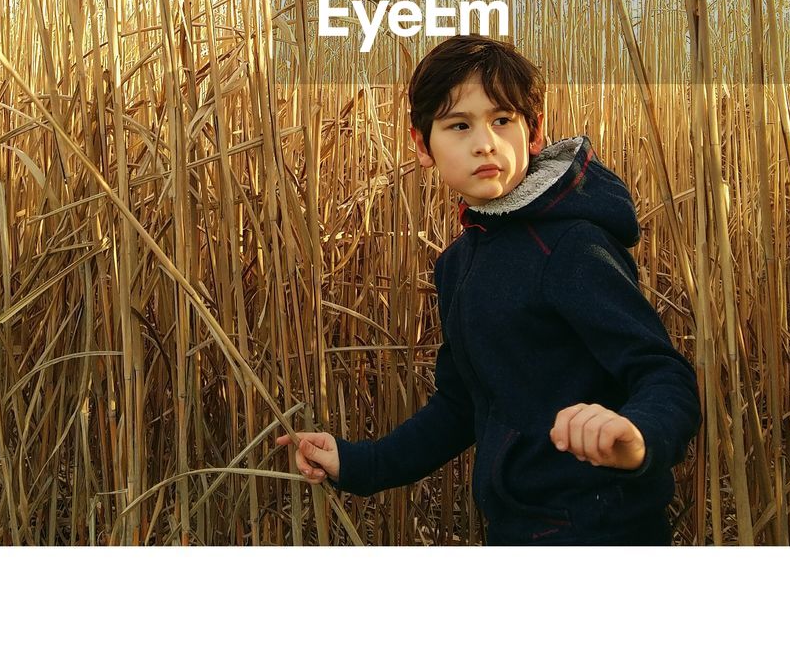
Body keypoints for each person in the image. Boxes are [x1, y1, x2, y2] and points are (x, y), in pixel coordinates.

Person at [276, 33, 701, 546]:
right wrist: (359, 462)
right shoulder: (458, 263)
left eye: (502, 120)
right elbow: (462, 407)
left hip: (600, 528)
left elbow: (664, 374)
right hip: (516, 529)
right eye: (459, 125)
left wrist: (635, 437)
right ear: (422, 145)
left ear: (534, 131)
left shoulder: (570, 246)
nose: (485, 142)